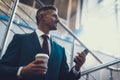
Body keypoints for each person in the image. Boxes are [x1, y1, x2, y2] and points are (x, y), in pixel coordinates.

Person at [0, 5, 86, 80]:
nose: (58, 20)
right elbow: (2, 69)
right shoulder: (20, 40)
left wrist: (77, 67)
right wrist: (23, 70)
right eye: (54, 16)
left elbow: (64, 78)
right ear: (41, 17)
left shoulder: (60, 50)